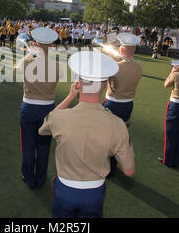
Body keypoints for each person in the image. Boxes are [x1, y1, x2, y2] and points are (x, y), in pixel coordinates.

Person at [39, 51, 135, 218]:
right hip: (94, 192)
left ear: (78, 83)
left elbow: (44, 126)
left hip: (65, 189)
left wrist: (70, 96)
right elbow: (129, 170)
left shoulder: (60, 117)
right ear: (105, 85)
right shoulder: (117, 124)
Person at [15, 27, 61, 190]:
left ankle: (29, 176)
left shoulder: (27, 62)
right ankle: (40, 178)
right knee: (43, 146)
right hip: (48, 109)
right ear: (52, 46)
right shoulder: (57, 66)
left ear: (35, 44)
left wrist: (31, 53)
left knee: (28, 145)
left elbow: (16, 67)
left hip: (28, 108)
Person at [102, 33, 143, 176]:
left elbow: (104, 76)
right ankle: (118, 163)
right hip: (128, 104)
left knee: (108, 137)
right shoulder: (139, 66)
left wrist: (110, 57)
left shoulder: (116, 66)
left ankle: (109, 167)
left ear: (122, 49)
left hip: (113, 103)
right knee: (120, 136)